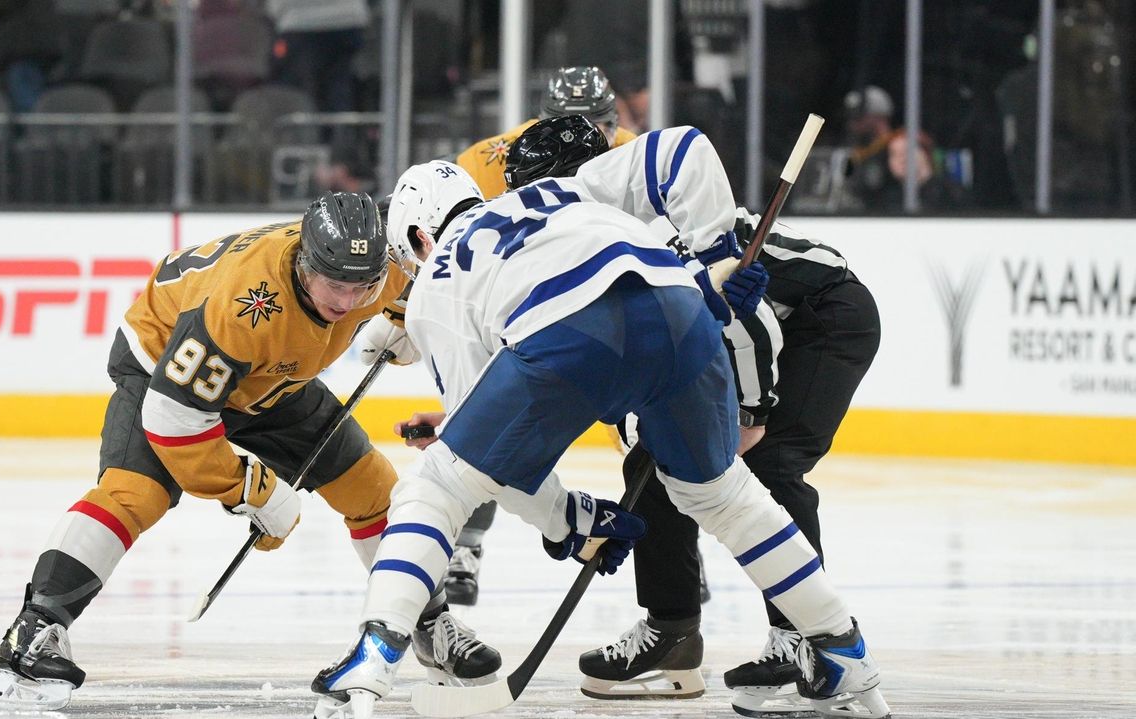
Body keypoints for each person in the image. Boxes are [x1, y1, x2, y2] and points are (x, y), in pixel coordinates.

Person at [311, 120, 890, 719]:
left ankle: (373, 657)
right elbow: (685, 146)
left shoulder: (438, 278)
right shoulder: (564, 191)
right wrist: (715, 258)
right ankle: (842, 647)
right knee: (725, 496)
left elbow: (494, 472)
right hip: (679, 307)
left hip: (574, 328)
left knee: (435, 488)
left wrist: (570, 520)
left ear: (417, 236)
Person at [0, 191, 500, 712]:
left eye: (362, 287)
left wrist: (401, 313)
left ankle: (428, 624)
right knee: (134, 494)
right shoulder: (243, 304)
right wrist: (249, 489)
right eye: (336, 286)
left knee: (376, 490)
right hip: (163, 372)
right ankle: (35, 632)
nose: (346, 302)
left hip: (273, 380)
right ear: (304, 261)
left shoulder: (377, 262)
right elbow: (175, 419)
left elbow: (415, 276)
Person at [578, 207, 882, 714]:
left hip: (824, 315)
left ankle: (806, 641)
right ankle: (671, 634)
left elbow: (749, 323)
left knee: (772, 463)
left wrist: (752, 414)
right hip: (758, 325)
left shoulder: (640, 236)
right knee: (652, 464)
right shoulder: (579, 244)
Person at [446, 66, 712, 609]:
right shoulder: (488, 161)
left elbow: (665, 237)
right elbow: (451, 250)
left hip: (606, 310)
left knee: (645, 435)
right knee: (477, 425)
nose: (591, 136)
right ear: (545, 121)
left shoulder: (632, 153)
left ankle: (677, 552)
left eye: (600, 123)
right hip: (514, 312)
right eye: (575, 123)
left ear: (615, 121)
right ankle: (464, 548)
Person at [455, 65, 638, 201]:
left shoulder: (631, 150)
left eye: (591, 130)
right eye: (565, 132)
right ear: (541, 124)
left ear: (614, 126)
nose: (576, 144)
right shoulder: (492, 157)